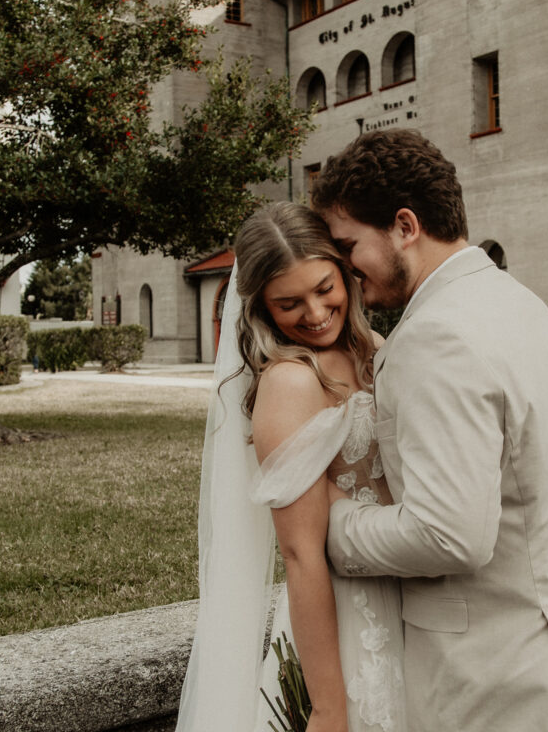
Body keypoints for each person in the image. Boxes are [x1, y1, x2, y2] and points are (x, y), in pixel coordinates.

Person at [310, 128, 548, 732]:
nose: (344, 268)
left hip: (498, 682)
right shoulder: (527, 308)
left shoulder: (436, 338)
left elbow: (449, 535)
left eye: (348, 245)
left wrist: (332, 523)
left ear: (405, 226)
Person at [175, 201, 406, 732]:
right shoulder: (291, 382)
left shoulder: (374, 349)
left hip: (414, 594)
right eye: (289, 303)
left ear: (344, 270)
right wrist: (328, 705)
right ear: (261, 309)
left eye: (325, 288)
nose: (315, 312)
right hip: (349, 619)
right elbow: (302, 554)